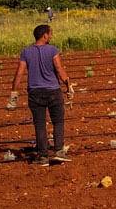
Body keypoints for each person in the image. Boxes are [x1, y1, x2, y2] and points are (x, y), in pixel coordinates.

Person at [9, 24, 72, 165]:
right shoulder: (53, 50)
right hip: (53, 91)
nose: (51, 36)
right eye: (50, 34)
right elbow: (59, 69)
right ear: (44, 35)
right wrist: (68, 86)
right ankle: (59, 152)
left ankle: (42, 156)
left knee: (39, 124)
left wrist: (14, 92)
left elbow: (19, 73)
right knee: (58, 122)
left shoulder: (26, 52)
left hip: (35, 92)